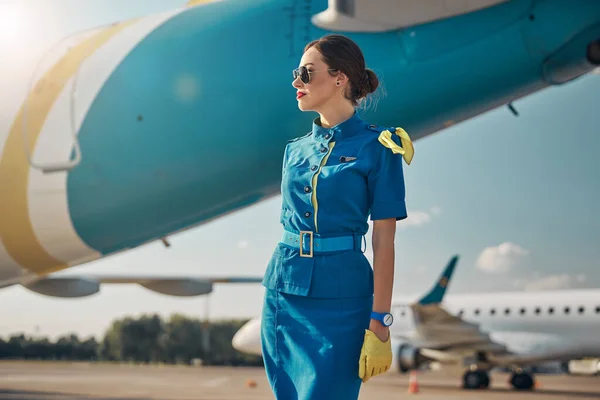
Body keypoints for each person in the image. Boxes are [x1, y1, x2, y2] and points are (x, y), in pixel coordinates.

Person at [260, 34, 414, 400]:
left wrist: (380, 322)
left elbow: (384, 242)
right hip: (283, 291)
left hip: (343, 300)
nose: (297, 82)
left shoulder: (380, 147)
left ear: (339, 78)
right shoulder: (293, 150)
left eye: (306, 73)